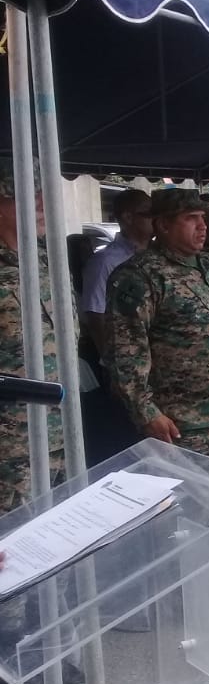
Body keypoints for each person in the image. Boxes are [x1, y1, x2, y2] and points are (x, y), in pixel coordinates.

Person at [107, 189, 209, 467]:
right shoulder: (140, 276)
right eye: (191, 218)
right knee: (190, 496)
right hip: (185, 425)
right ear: (164, 225)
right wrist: (147, 413)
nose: (202, 226)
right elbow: (125, 354)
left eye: (202, 217)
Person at [0, 161, 63, 513]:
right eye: (26, 194)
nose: (41, 202)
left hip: (59, 438)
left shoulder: (46, 261)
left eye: (42, 192)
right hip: (9, 455)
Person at [81, 189, 152, 363]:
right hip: (127, 361)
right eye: (149, 213)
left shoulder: (157, 255)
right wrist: (113, 361)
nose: (156, 218)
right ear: (128, 217)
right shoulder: (104, 262)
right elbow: (95, 315)